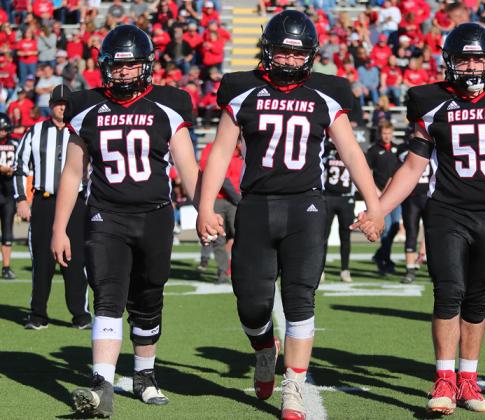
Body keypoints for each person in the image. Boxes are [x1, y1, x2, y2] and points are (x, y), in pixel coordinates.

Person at [196, 11, 383, 420]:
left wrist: (376, 204)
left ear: (311, 56)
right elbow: (221, 151)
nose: (289, 61)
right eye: (282, 51)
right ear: (268, 51)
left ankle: (294, 386)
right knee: (251, 303)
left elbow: (351, 151)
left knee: (301, 298)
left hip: (306, 206)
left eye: (298, 54)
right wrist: (205, 206)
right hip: (257, 205)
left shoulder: (327, 93)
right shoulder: (242, 89)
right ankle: (265, 349)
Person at [353, 23, 485, 415]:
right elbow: (410, 169)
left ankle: (468, 381)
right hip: (448, 212)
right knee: (449, 291)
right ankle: (444, 378)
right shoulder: (430, 102)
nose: (472, 66)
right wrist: (377, 211)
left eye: (479, 58)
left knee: (477, 299)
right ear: (449, 61)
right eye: (464, 58)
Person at [51, 25, 200, 418]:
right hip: (106, 215)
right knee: (107, 296)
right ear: (104, 68)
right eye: (116, 67)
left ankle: (145, 374)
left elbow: (187, 167)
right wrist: (58, 227)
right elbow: (71, 174)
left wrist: (206, 209)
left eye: (131, 66)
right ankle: (102, 383)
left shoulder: (169, 105)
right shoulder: (86, 107)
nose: (123, 74)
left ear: (146, 66)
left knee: (148, 297)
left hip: (154, 215)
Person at [14, 85, 91, 330]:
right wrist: (21, 199)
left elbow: (93, 170)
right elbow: (19, 166)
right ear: (50, 105)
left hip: (76, 204)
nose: (62, 107)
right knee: (42, 259)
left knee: (76, 259)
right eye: (58, 103)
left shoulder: (82, 132)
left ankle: (80, 314)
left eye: (66, 104)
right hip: (45, 201)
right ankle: (38, 314)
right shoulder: (34, 132)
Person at [198, 140, 242, 284]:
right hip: (219, 198)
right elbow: (218, 175)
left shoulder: (242, 147)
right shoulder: (211, 147)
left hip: (237, 198)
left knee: (240, 235)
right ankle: (223, 271)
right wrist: (238, 199)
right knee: (218, 237)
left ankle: (239, 268)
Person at [395, 125, 432, 284]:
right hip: (411, 196)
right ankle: (410, 269)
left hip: (429, 195)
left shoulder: (433, 144)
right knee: (411, 232)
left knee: (434, 234)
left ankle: (433, 268)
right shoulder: (403, 149)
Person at [365, 120, 401, 276]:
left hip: (395, 195)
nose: (387, 136)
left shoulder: (397, 149)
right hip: (379, 196)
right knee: (384, 230)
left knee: (395, 227)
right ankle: (384, 261)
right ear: (380, 134)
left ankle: (381, 256)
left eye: (389, 133)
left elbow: (399, 174)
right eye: (384, 133)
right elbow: (367, 173)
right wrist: (376, 192)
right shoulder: (373, 150)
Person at [322, 140, 355, 283]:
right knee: (323, 236)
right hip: (329, 197)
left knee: (345, 236)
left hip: (346, 199)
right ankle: (320, 269)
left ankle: (345, 269)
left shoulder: (352, 153)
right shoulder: (327, 154)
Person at [0, 112, 16, 279]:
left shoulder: (15, 144)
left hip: (8, 193)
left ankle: (6, 267)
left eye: (4, 129)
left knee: (7, 231)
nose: (2, 132)